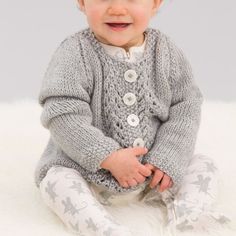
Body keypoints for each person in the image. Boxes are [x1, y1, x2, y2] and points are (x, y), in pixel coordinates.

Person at [34, 0, 230, 235]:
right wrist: (107, 156)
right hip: (89, 172)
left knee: (204, 164)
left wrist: (168, 157)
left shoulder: (166, 52)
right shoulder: (74, 53)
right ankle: (104, 228)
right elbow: (63, 113)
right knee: (57, 181)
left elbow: (185, 105)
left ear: (155, 3)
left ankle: (190, 216)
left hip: (153, 175)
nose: (117, 9)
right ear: (82, 2)